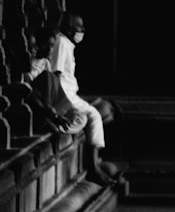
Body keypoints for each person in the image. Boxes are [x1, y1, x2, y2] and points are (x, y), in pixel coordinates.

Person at [35, 12, 119, 187]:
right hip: (64, 94)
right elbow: (56, 74)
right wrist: (56, 102)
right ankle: (94, 168)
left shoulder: (67, 44)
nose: (83, 30)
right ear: (68, 27)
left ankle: (95, 165)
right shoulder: (61, 42)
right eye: (79, 27)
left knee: (93, 115)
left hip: (69, 93)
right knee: (94, 115)